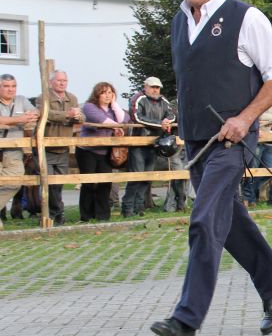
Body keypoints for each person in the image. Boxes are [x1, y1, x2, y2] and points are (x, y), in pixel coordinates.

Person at [151, 0, 272, 336]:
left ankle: (186, 318)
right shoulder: (180, 20)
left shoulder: (246, 18)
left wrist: (246, 117)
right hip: (196, 139)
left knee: (204, 220)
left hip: (232, 140)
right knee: (228, 222)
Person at [121, 77, 175, 217]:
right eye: (152, 87)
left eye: (157, 87)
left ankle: (139, 208)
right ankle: (127, 208)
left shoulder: (163, 101)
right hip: (139, 143)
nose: (155, 89)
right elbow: (137, 117)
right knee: (136, 177)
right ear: (145, 86)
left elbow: (171, 115)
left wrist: (167, 120)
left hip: (154, 144)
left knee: (147, 178)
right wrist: (160, 123)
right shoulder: (138, 99)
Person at [37, 70, 85, 225]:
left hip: (63, 146)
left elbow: (81, 116)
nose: (62, 83)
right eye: (58, 80)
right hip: (46, 147)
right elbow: (46, 113)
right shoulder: (43, 97)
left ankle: (57, 212)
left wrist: (77, 116)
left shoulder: (72, 98)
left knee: (58, 184)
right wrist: (68, 115)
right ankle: (50, 214)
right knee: (47, 183)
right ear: (51, 82)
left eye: (64, 80)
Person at [77, 83, 130, 221]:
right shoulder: (89, 106)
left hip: (104, 152)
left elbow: (124, 120)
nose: (107, 95)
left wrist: (114, 104)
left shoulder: (113, 109)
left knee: (105, 183)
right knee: (88, 183)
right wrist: (116, 127)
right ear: (97, 94)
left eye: (110, 92)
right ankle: (86, 215)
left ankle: (102, 215)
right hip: (87, 151)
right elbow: (101, 120)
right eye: (104, 92)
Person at [0, 74, 38, 229]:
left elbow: (35, 113)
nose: (11, 89)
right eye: (6, 86)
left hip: (14, 150)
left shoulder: (21, 100)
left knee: (14, 183)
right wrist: (18, 120)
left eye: (13, 86)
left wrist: (30, 116)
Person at [242, 92, 272, 207]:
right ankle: (248, 198)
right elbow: (258, 114)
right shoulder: (258, 92)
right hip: (258, 139)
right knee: (252, 170)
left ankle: (251, 194)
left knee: (271, 170)